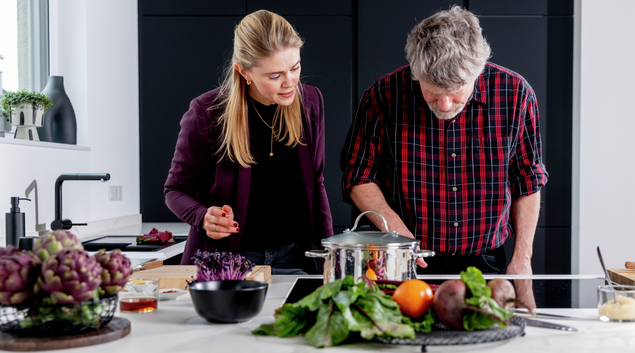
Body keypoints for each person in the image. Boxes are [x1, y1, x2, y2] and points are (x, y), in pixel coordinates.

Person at [341, 6, 548, 282]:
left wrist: (522, 259)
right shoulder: (383, 95)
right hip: (405, 257)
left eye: (455, 92)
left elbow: (528, 180)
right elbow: (359, 175)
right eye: (432, 92)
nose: (444, 104)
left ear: (477, 72)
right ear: (415, 72)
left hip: (487, 261)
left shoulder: (517, 95)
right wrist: (397, 234)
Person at [165, 10, 333, 274]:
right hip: (228, 261)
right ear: (244, 71)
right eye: (275, 75)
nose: (290, 83)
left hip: (296, 258)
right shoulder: (207, 112)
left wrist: (328, 257)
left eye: (295, 67)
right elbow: (174, 190)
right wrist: (202, 216)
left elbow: (317, 184)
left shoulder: (311, 101)